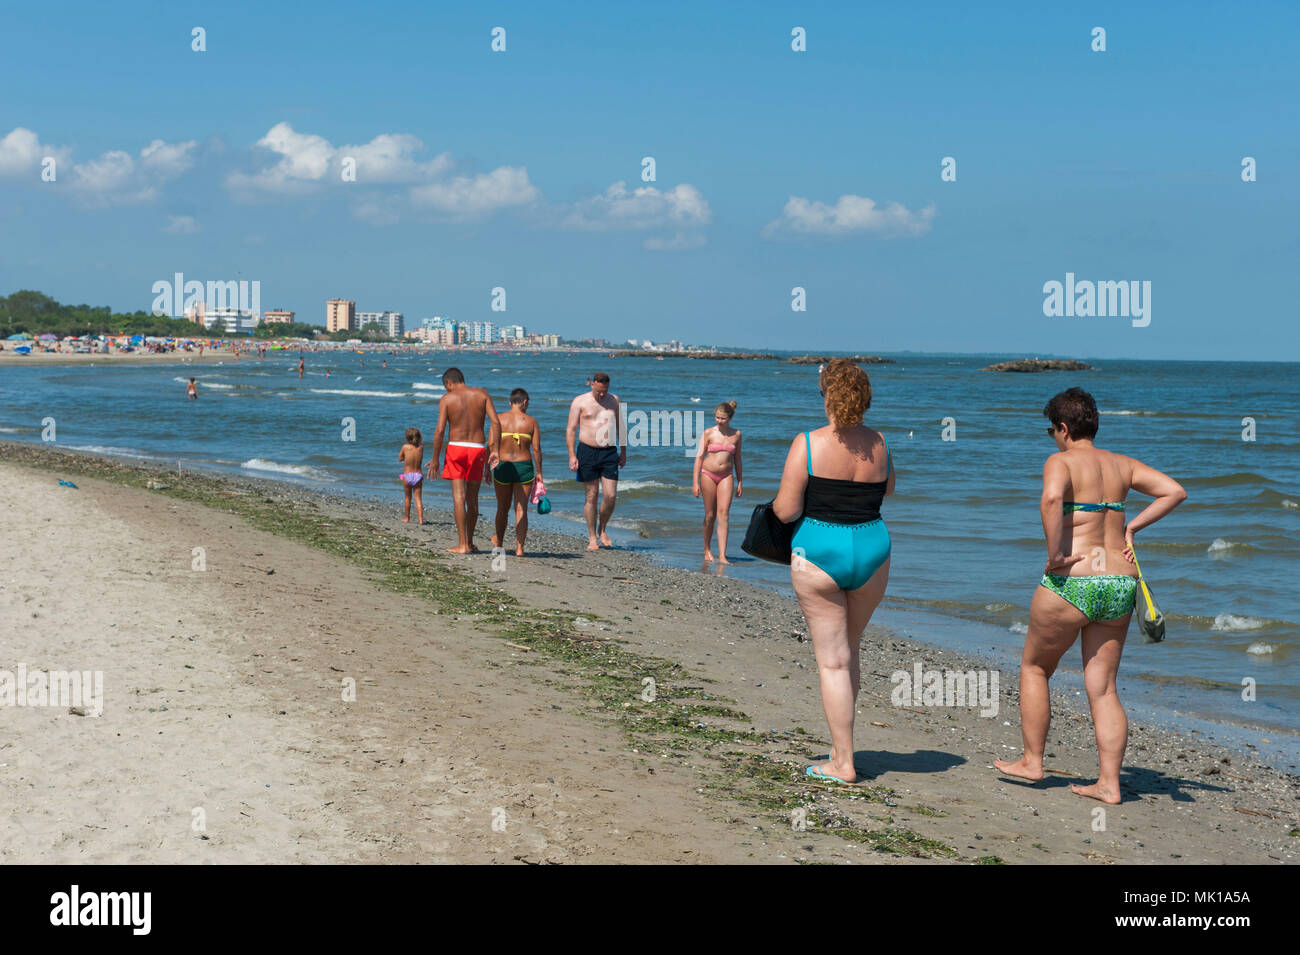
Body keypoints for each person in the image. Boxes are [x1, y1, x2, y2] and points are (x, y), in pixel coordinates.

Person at [994, 387, 1186, 804]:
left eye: (1052, 431)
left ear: (1063, 428)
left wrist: (1055, 554)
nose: (1053, 438)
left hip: (1074, 580)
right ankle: (1110, 784)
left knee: (1035, 668)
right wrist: (1131, 528)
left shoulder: (1060, 461)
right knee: (1103, 688)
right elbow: (1174, 491)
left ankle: (1032, 761)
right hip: (1120, 581)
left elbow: (1049, 499)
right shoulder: (1122, 464)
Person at [773, 360, 894, 784]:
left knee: (833, 662)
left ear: (827, 395)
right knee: (851, 648)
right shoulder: (879, 441)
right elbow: (888, 489)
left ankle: (843, 762)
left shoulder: (807, 442)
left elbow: (786, 509)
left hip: (820, 549)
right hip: (873, 549)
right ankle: (842, 748)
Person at [429, 367, 500, 553]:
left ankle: (462, 545)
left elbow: (439, 431)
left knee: (459, 498)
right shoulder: (482, 394)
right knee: (473, 499)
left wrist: (435, 458)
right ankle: (469, 541)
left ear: (448, 383)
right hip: (477, 448)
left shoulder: (447, 399)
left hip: (456, 448)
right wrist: (496, 450)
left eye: (446, 387)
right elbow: (496, 422)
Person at [566, 372, 625, 550]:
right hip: (587, 451)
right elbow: (571, 429)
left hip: (609, 452)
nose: (602, 394)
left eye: (605, 391)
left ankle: (602, 528)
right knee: (591, 496)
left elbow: (621, 426)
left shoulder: (614, 400)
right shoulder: (579, 401)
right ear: (591, 384)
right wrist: (571, 455)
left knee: (611, 496)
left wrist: (624, 452)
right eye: (599, 390)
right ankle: (592, 537)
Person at [491, 388, 543, 556]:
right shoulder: (532, 421)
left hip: (503, 466)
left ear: (510, 402)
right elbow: (536, 449)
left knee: (502, 508)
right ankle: (520, 548)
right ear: (525, 402)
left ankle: (499, 542)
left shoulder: (498, 419)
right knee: (521, 509)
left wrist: (486, 468)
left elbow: (491, 445)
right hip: (524, 467)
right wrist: (540, 472)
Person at [692, 400, 743, 563]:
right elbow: (699, 457)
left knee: (724, 514)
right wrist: (695, 482)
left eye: (723, 418)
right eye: (717, 417)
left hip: (727, 476)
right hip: (708, 474)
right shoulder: (709, 433)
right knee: (710, 515)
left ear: (730, 418)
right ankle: (707, 548)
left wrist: (740, 481)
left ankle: (722, 555)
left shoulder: (737, 434)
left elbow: (738, 459)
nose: (719, 420)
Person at [398, 428, 425, 524]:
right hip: (418, 475)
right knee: (418, 498)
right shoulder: (420, 448)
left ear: (407, 437)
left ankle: (407, 518)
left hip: (407, 475)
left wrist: (405, 458)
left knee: (407, 497)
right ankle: (420, 519)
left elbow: (400, 458)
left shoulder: (405, 447)